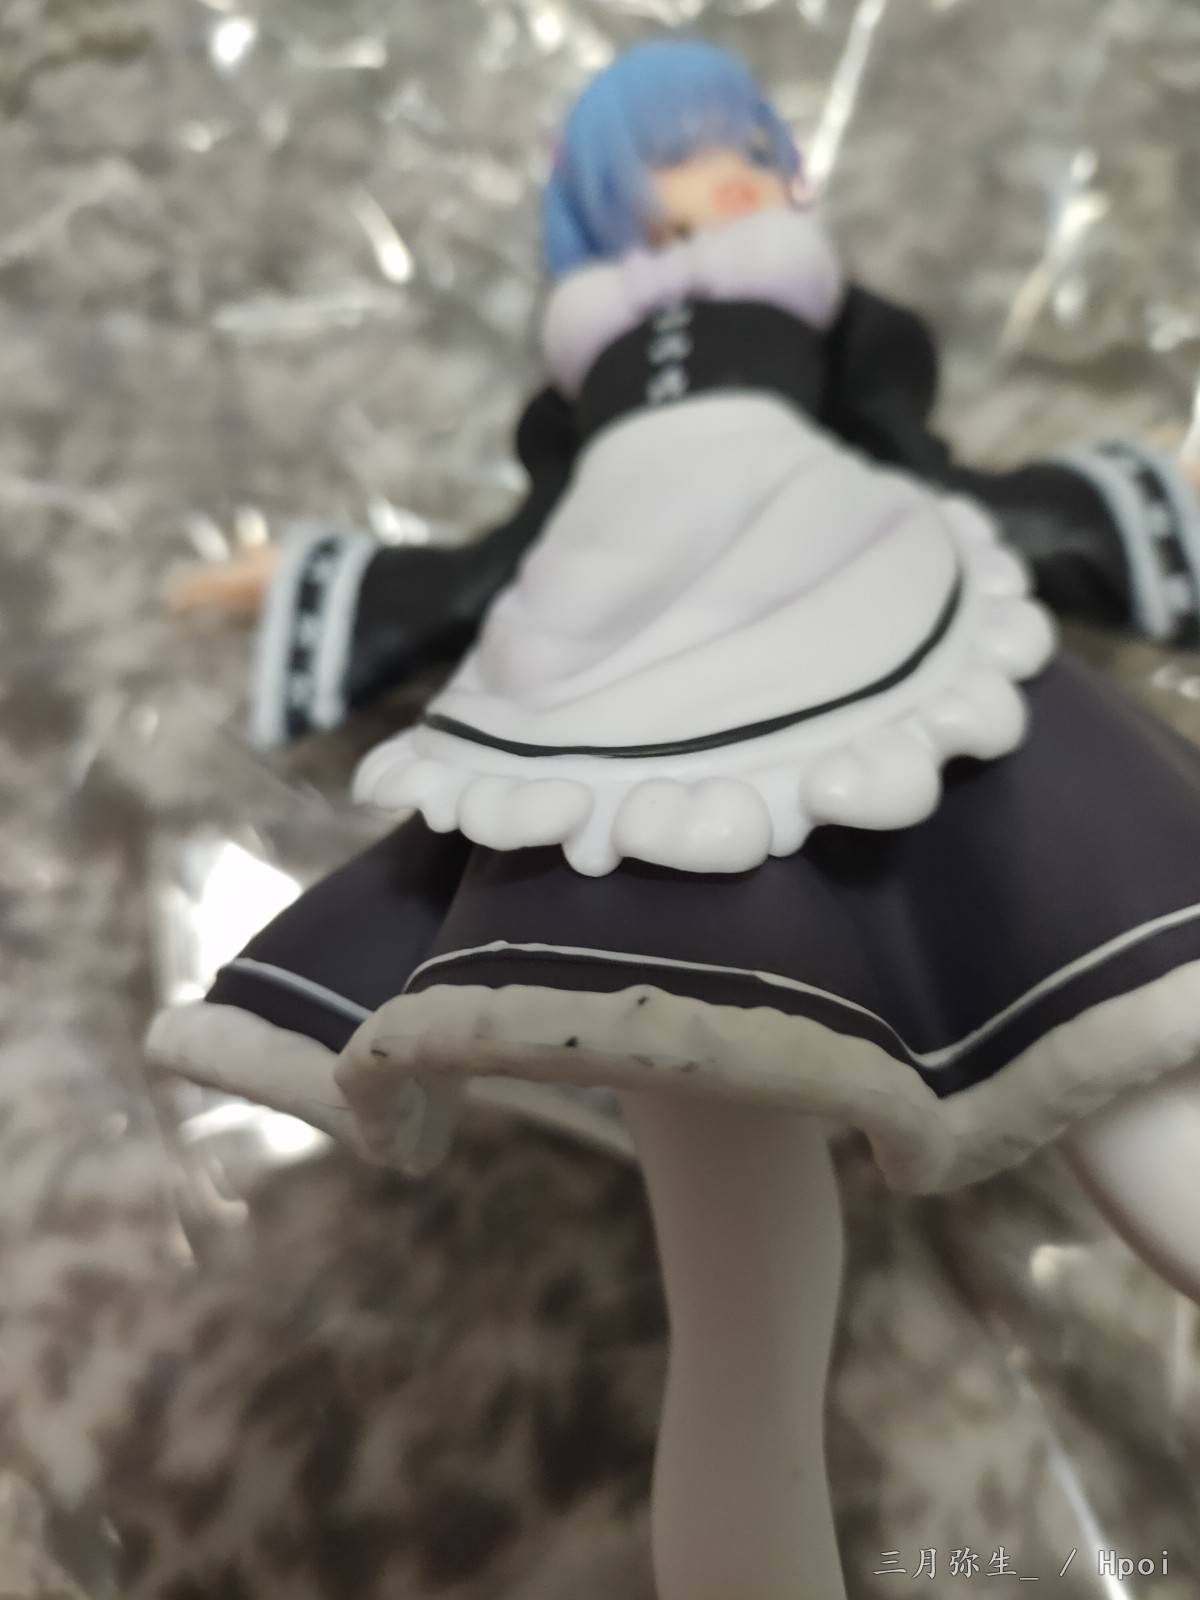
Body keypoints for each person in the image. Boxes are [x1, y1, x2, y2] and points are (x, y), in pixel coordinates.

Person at [152, 43, 1200, 1600]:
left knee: (1117, 1013)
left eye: (760, 146)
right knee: (738, 1264)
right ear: (620, 189)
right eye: (712, 149)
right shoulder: (575, 405)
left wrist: (1127, 504)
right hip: (613, 704)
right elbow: (496, 566)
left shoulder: (831, 328)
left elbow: (936, 477)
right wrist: (320, 581)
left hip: (860, 615)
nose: (755, 172)